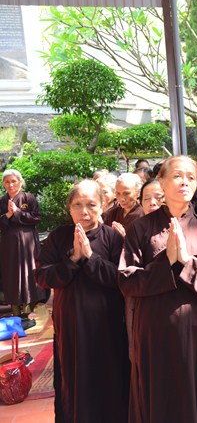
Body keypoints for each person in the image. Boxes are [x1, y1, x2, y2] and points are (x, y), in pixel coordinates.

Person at [119, 155, 197, 423]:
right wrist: (166, 263)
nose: (185, 182)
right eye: (177, 176)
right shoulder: (141, 228)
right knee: (160, 396)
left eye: (191, 177)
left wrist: (186, 261)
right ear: (161, 181)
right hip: (155, 330)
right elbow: (127, 280)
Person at [35, 180, 129, 422]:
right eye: (77, 204)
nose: (84, 211)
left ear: (103, 206)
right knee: (72, 380)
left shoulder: (112, 238)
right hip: (71, 325)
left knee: (109, 379)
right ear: (69, 208)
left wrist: (90, 257)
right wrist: (73, 259)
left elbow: (122, 279)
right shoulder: (58, 237)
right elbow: (42, 277)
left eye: (91, 204)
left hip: (107, 326)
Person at [0, 169, 46, 316]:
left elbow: (37, 218)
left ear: (20, 182)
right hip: (9, 243)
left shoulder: (28, 198)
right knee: (11, 272)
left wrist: (18, 212)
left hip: (27, 241)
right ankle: (14, 307)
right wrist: (8, 215)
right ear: (3, 184)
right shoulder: (2, 201)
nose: (11, 185)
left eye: (14, 181)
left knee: (28, 270)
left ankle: (28, 307)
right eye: (7, 182)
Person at [103, 172, 145, 237]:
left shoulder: (143, 215)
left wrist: (124, 237)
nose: (121, 199)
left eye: (126, 193)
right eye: (118, 193)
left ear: (138, 193)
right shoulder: (113, 213)